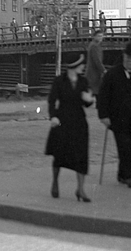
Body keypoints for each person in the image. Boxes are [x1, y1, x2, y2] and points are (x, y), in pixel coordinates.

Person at [97, 42, 131, 188]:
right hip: (117, 118)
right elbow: (102, 96)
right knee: (124, 145)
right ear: (123, 56)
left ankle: (122, 174)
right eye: (127, 58)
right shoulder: (112, 74)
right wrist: (103, 116)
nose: (129, 61)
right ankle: (129, 176)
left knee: (129, 147)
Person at [45, 54, 94, 202]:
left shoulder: (83, 81)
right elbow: (52, 100)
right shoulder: (59, 81)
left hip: (79, 121)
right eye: (81, 64)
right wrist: (53, 116)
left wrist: (89, 100)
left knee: (81, 155)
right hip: (62, 120)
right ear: (74, 66)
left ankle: (80, 189)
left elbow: (87, 102)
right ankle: (55, 182)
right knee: (59, 153)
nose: (83, 67)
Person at [86, 26, 106, 97]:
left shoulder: (94, 45)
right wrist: (103, 70)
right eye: (99, 36)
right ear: (94, 37)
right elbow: (97, 60)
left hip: (93, 72)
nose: (100, 38)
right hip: (94, 73)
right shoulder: (94, 46)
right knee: (96, 91)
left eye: (102, 36)